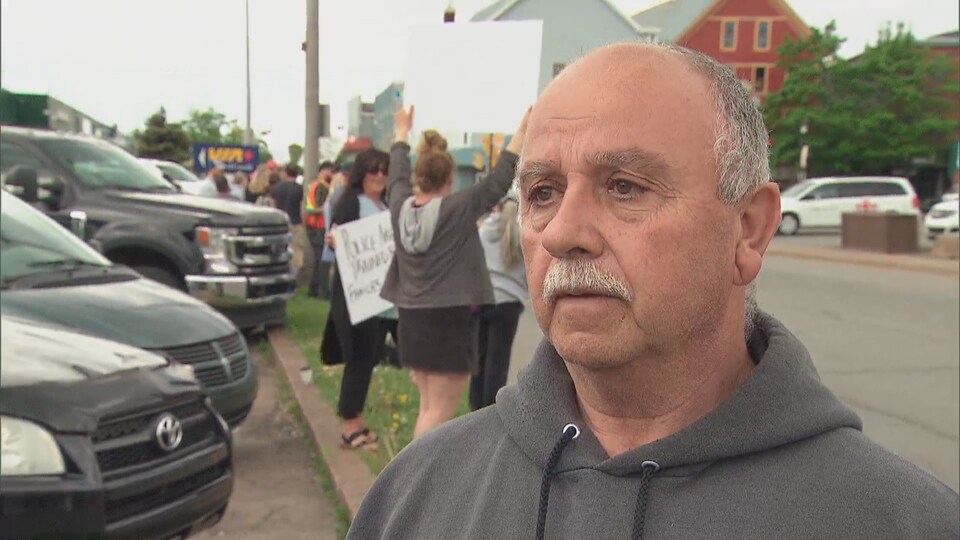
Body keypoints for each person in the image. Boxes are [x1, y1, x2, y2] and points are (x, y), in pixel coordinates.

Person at [347, 42, 959, 539]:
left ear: (748, 230)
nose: (563, 232)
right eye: (541, 193)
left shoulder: (904, 521)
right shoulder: (414, 498)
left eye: (626, 187)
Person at [379, 106, 529, 439]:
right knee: (439, 413)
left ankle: (414, 480)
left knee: (428, 406)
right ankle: (418, 483)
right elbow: (500, 179)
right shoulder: (458, 209)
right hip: (449, 322)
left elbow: (397, 174)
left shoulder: (399, 204)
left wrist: (401, 131)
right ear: (450, 179)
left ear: (420, 178)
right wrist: (522, 131)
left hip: (411, 319)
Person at [320, 149, 393, 450]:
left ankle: (357, 419)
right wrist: (336, 241)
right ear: (362, 172)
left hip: (380, 299)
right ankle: (350, 427)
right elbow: (336, 238)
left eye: (383, 170)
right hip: (356, 299)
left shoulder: (384, 204)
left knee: (369, 356)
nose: (379, 175)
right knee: (359, 358)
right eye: (373, 169)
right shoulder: (350, 201)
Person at [469, 194, 528, 410]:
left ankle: (475, 408)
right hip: (508, 304)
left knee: (479, 358)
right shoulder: (520, 235)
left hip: (482, 299)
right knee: (498, 361)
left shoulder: (484, 230)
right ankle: (491, 408)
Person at [303, 161, 335, 299]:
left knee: (318, 260)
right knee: (322, 260)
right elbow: (316, 207)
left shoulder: (314, 185)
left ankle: (314, 289)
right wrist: (329, 208)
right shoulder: (322, 186)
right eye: (330, 171)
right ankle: (323, 291)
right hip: (318, 226)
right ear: (324, 171)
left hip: (313, 225)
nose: (332, 174)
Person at [271, 163, 306, 274]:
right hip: (296, 223)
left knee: (280, 249)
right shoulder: (300, 189)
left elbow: (273, 208)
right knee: (296, 249)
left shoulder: (275, 188)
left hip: (280, 224)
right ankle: (295, 273)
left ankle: (280, 270)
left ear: (285, 173)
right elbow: (302, 209)